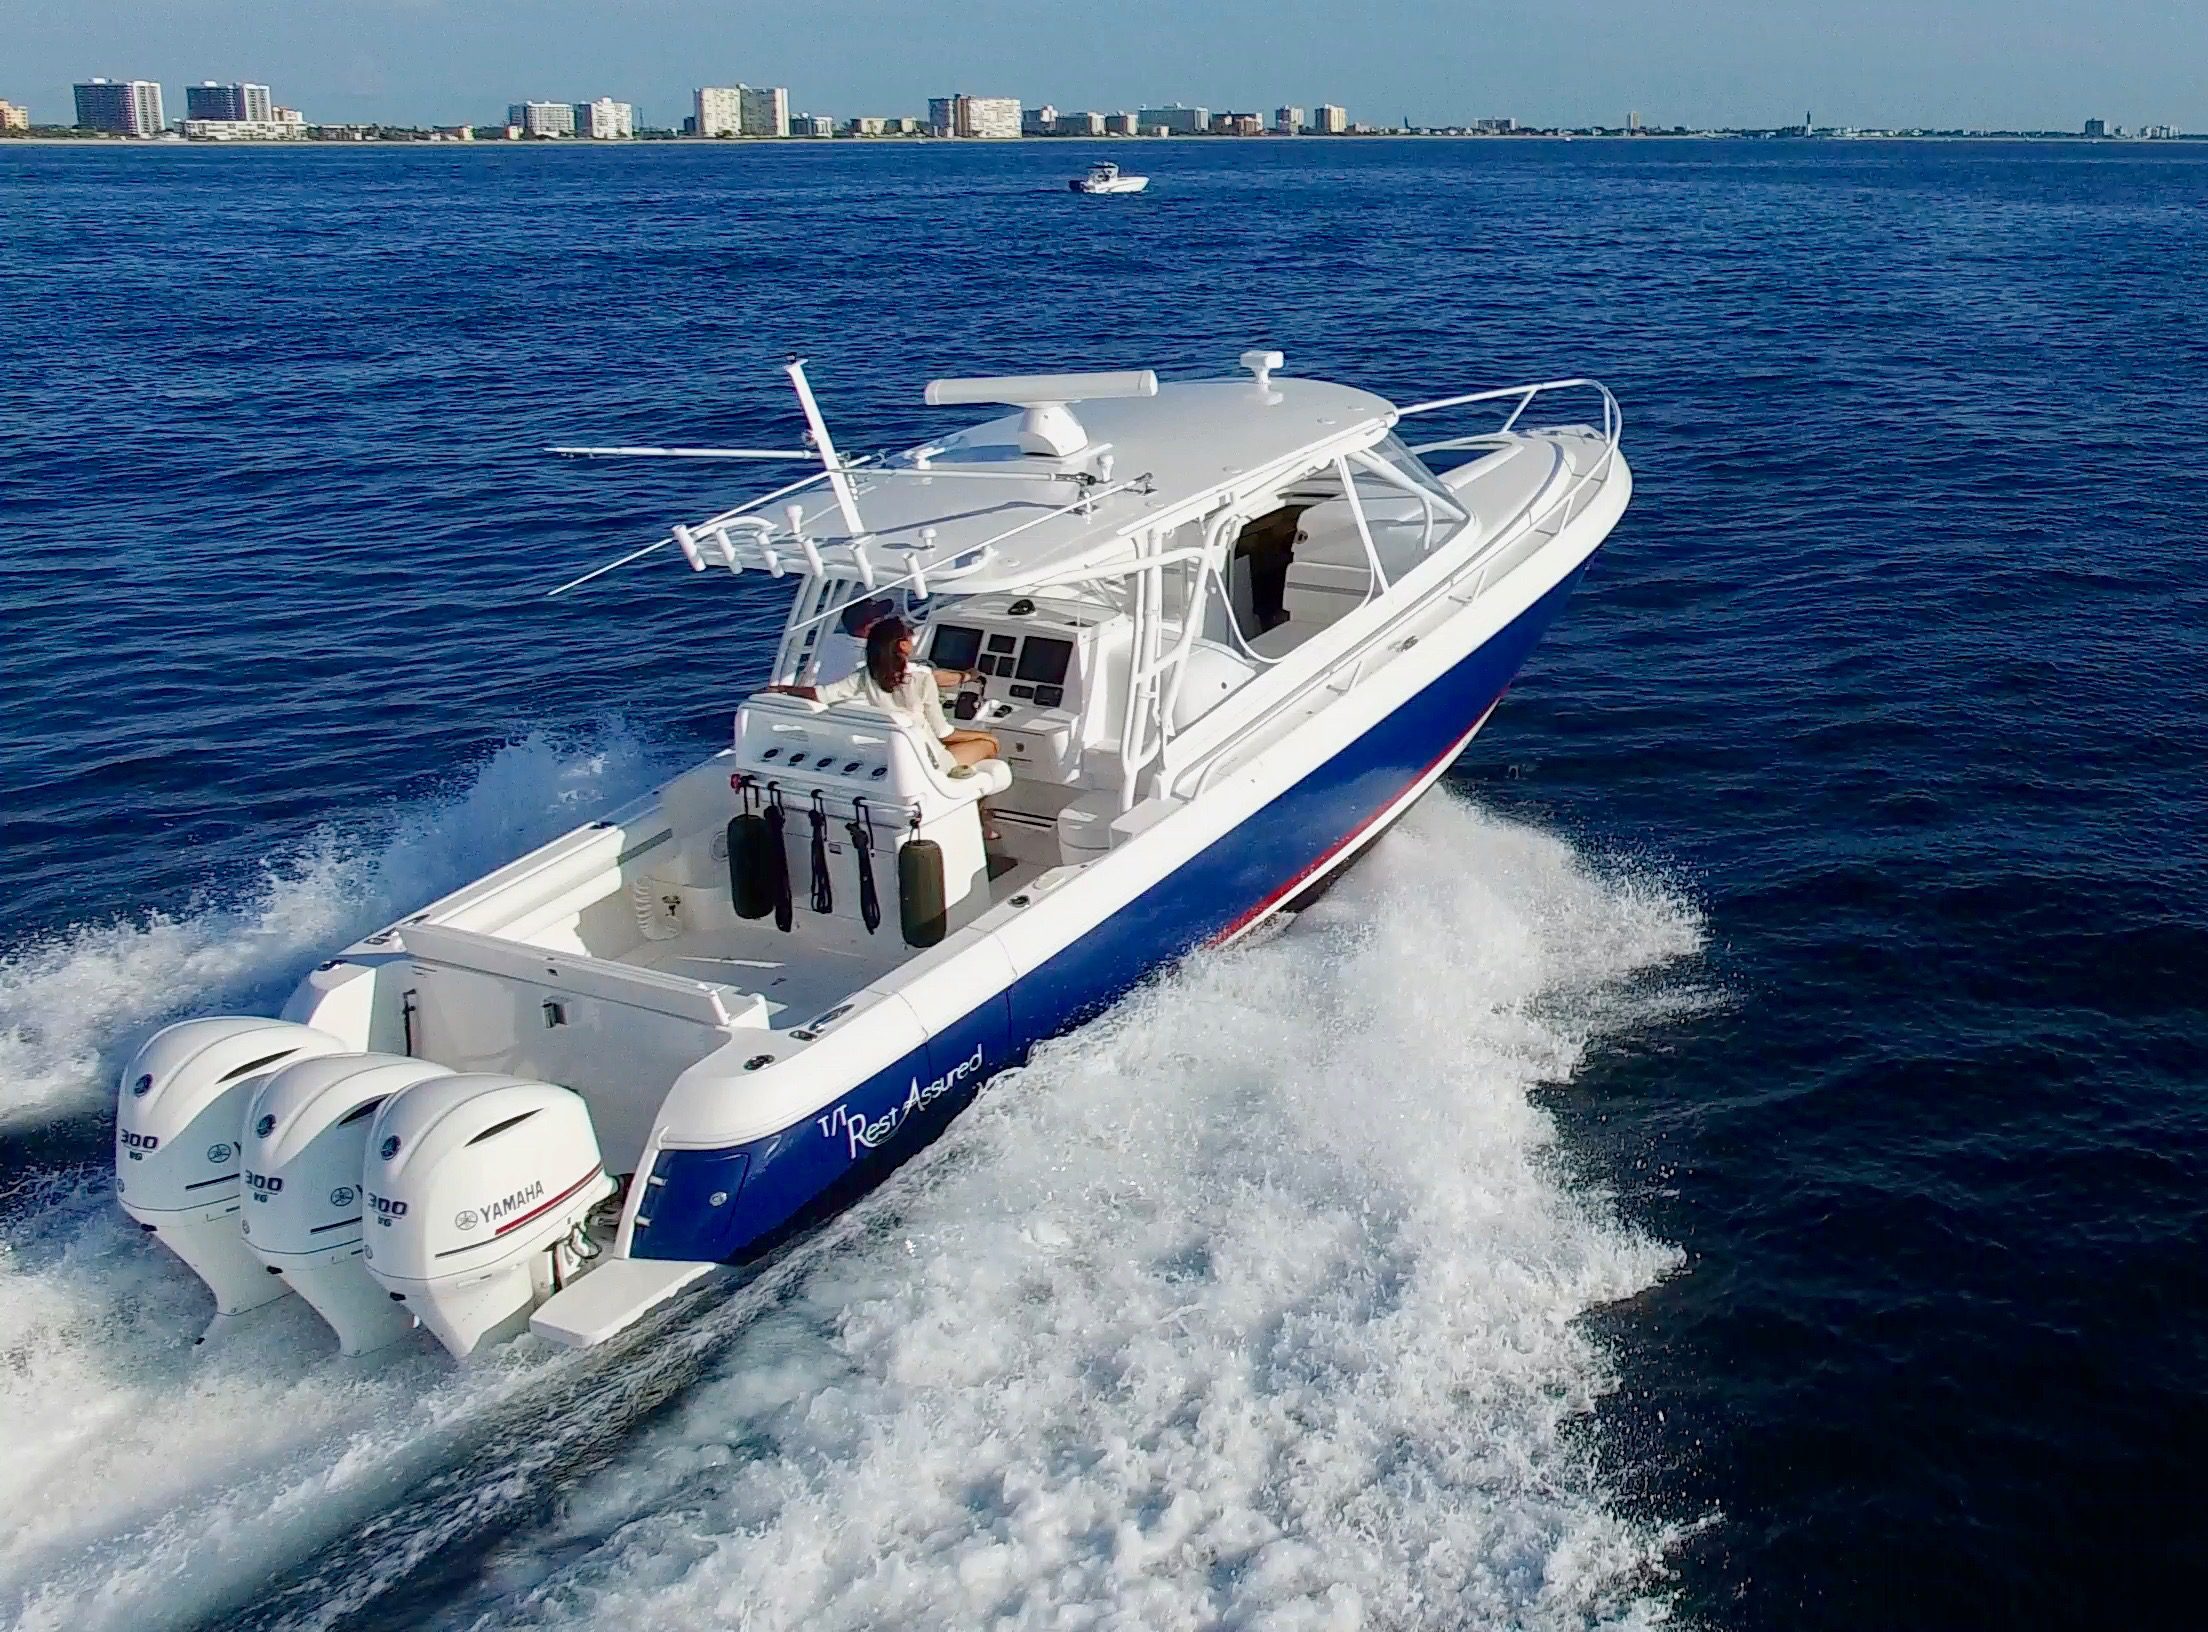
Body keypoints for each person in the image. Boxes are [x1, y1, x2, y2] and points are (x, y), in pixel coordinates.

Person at [768, 617, 1003, 837]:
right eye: (909, 635)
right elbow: (943, 732)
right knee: (989, 744)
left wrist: (783, 689)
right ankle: (978, 818)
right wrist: (985, 735)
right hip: (932, 760)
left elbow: (821, 694)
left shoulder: (866, 676)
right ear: (902, 646)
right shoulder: (922, 678)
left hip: (899, 755)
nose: (912, 638)